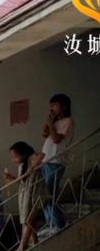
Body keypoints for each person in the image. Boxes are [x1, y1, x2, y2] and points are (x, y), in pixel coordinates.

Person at [39, 94, 73, 232]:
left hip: (56, 161)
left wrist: (51, 125)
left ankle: (58, 223)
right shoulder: (55, 122)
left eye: (54, 105)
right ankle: (51, 223)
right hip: (45, 160)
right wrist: (48, 125)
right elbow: (45, 136)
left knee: (48, 195)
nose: (51, 108)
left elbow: (56, 139)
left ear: (63, 107)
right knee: (42, 195)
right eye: (50, 106)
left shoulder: (68, 121)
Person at [3, 142, 42, 251]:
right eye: (12, 157)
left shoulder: (32, 159)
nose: (13, 159)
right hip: (24, 195)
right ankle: (35, 244)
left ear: (24, 154)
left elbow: (42, 155)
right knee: (30, 221)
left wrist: (32, 168)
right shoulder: (21, 166)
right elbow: (22, 181)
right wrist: (10, 177)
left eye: (15, 156)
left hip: (33, 194)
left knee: (28, 221)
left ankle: (21, 248)